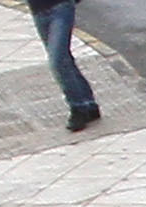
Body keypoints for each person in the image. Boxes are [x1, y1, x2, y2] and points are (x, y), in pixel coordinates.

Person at [27, 0, 100, 133]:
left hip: (61, 8)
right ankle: (88, 103)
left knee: (57, 60)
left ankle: (77, 107)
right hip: (38, 12)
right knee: (63, 59)